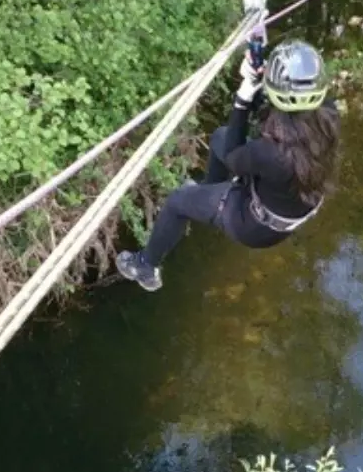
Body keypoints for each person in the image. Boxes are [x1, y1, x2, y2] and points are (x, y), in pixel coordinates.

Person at [115, 39, 341, 292]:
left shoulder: (269, 154)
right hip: (288, 199)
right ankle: (208, 192)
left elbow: (234, 156)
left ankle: (146, 266)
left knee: (177, 202)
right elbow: (274, 113)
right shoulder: (327, 114)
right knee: (221, 136)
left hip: (255, 225)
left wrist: (243, 98)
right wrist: (260, 83)